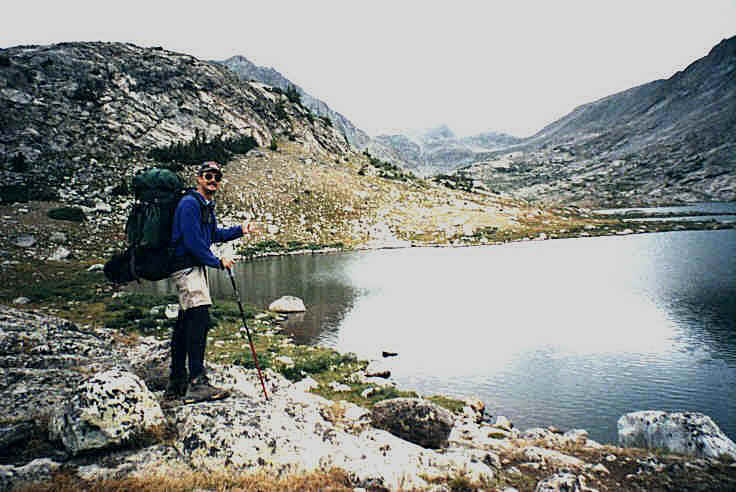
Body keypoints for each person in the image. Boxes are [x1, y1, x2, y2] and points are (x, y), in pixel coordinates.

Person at [165, 161, 255, 402]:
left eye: (216, 177)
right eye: (208, 176)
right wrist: (218, 262)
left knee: (186, 321)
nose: (213, 180)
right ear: (199, 178)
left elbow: (213, 235)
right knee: (199, 317)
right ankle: (197, 382)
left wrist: (240, 229)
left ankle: (176, 381)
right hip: (186, 267)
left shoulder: (205, 206)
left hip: (193, 267)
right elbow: (194, 242)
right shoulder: (189, 204)